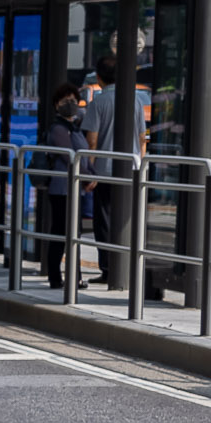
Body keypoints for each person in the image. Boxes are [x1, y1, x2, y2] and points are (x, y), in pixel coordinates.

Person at [80, 56, 150, 290]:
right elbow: (142, 139)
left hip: (103, 171)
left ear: (99, 78)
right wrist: (140, 165)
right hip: (130, 169)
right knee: (127, 220)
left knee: (104, 221)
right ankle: (126, 266)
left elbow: (92, 141)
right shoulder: (135, 101)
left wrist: (89, 173)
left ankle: (109, 268)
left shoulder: (98, 103)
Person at [38, 80, 88, 290]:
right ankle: (57, 277)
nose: (71, 103)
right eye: (66, 100)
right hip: (62, 189)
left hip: (74, 188)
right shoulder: (59, 129)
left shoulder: (73, 127)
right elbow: (71, 157)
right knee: (62, 232)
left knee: (70, 233)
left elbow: (85, 155)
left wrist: (91, 176)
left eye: (74, 100)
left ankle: (73, 276)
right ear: (56, 104)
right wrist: (89, 177)